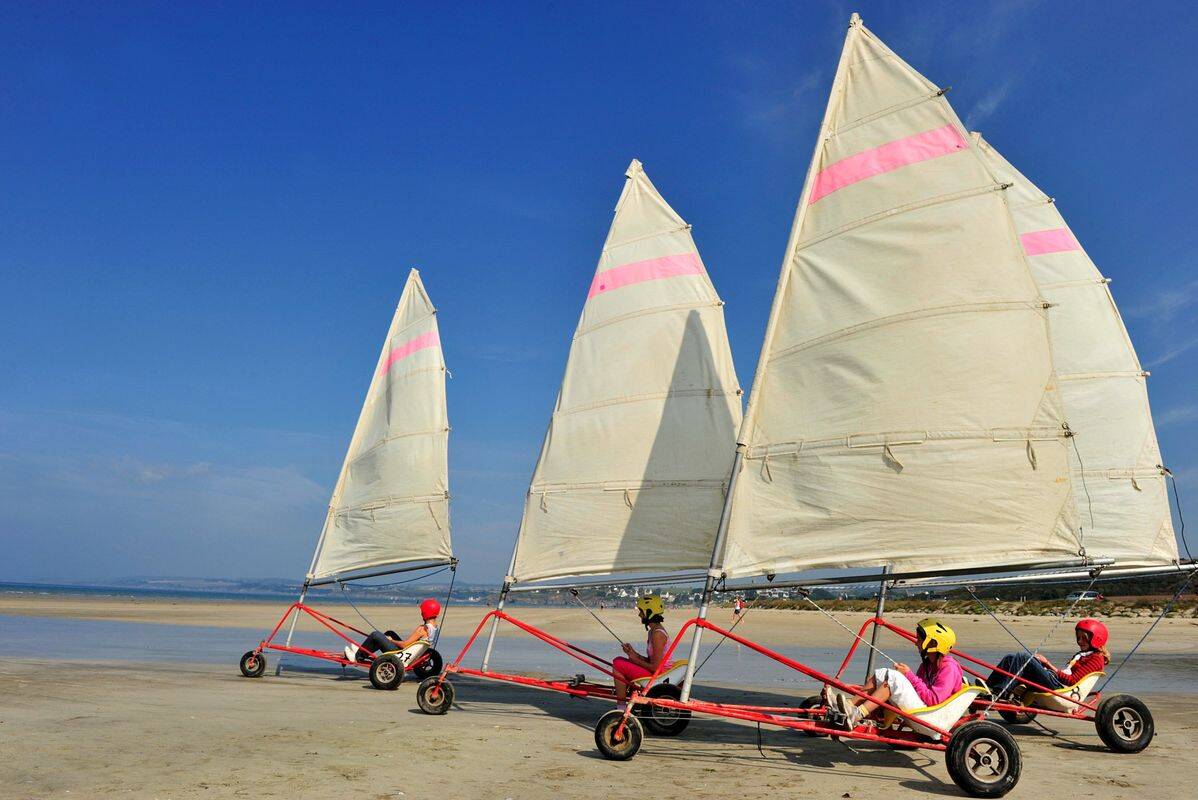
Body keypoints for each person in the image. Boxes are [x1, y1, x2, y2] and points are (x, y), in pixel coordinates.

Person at [837, 618, 964, 728]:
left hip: (932, 715)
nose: (916, 643)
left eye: (919, 640)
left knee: (894, 678)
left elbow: (934, 700)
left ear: (933, 644)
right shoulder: (926, 665)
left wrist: (908, 675)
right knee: (883, 673)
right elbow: (917, 690)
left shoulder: (949, 668)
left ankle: (858, 714)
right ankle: (849, 705)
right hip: (924, 709)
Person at [984, 618, 1110, 699]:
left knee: (1023, 657)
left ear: (1095, 639)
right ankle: (988, 688)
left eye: (1084, 638)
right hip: (1056, 682)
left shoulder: (1096, 659)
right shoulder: (1082, 655)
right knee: (1010, 658)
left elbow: (1072, 681)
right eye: (1078, 638)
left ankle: (1001, 692)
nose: (1080, 641)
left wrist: (1048, 664)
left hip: (1063, 690)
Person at [611, 594, 671, 711]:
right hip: (657, 672)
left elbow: (656, 667)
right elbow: (652, 660)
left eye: (641, 612)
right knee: (619, 660)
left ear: (649, 612)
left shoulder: (657, 634)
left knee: (618, 665)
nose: (639, 615)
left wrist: (635, 660)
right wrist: (634, 654)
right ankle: (627, 698)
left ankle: (621, 707)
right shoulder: (653, 631)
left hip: (659, 675)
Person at [344, 598, 441, 663]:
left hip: (400, 654)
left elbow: (404, 645)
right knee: (389, 633)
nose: (421, 613)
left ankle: (357, 657)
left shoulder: (422, 629)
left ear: (425, 612)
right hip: (411, 653)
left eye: (422, 611)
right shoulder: (434, 627)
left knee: (375, 635)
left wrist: (391, 640)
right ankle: (363, 651)